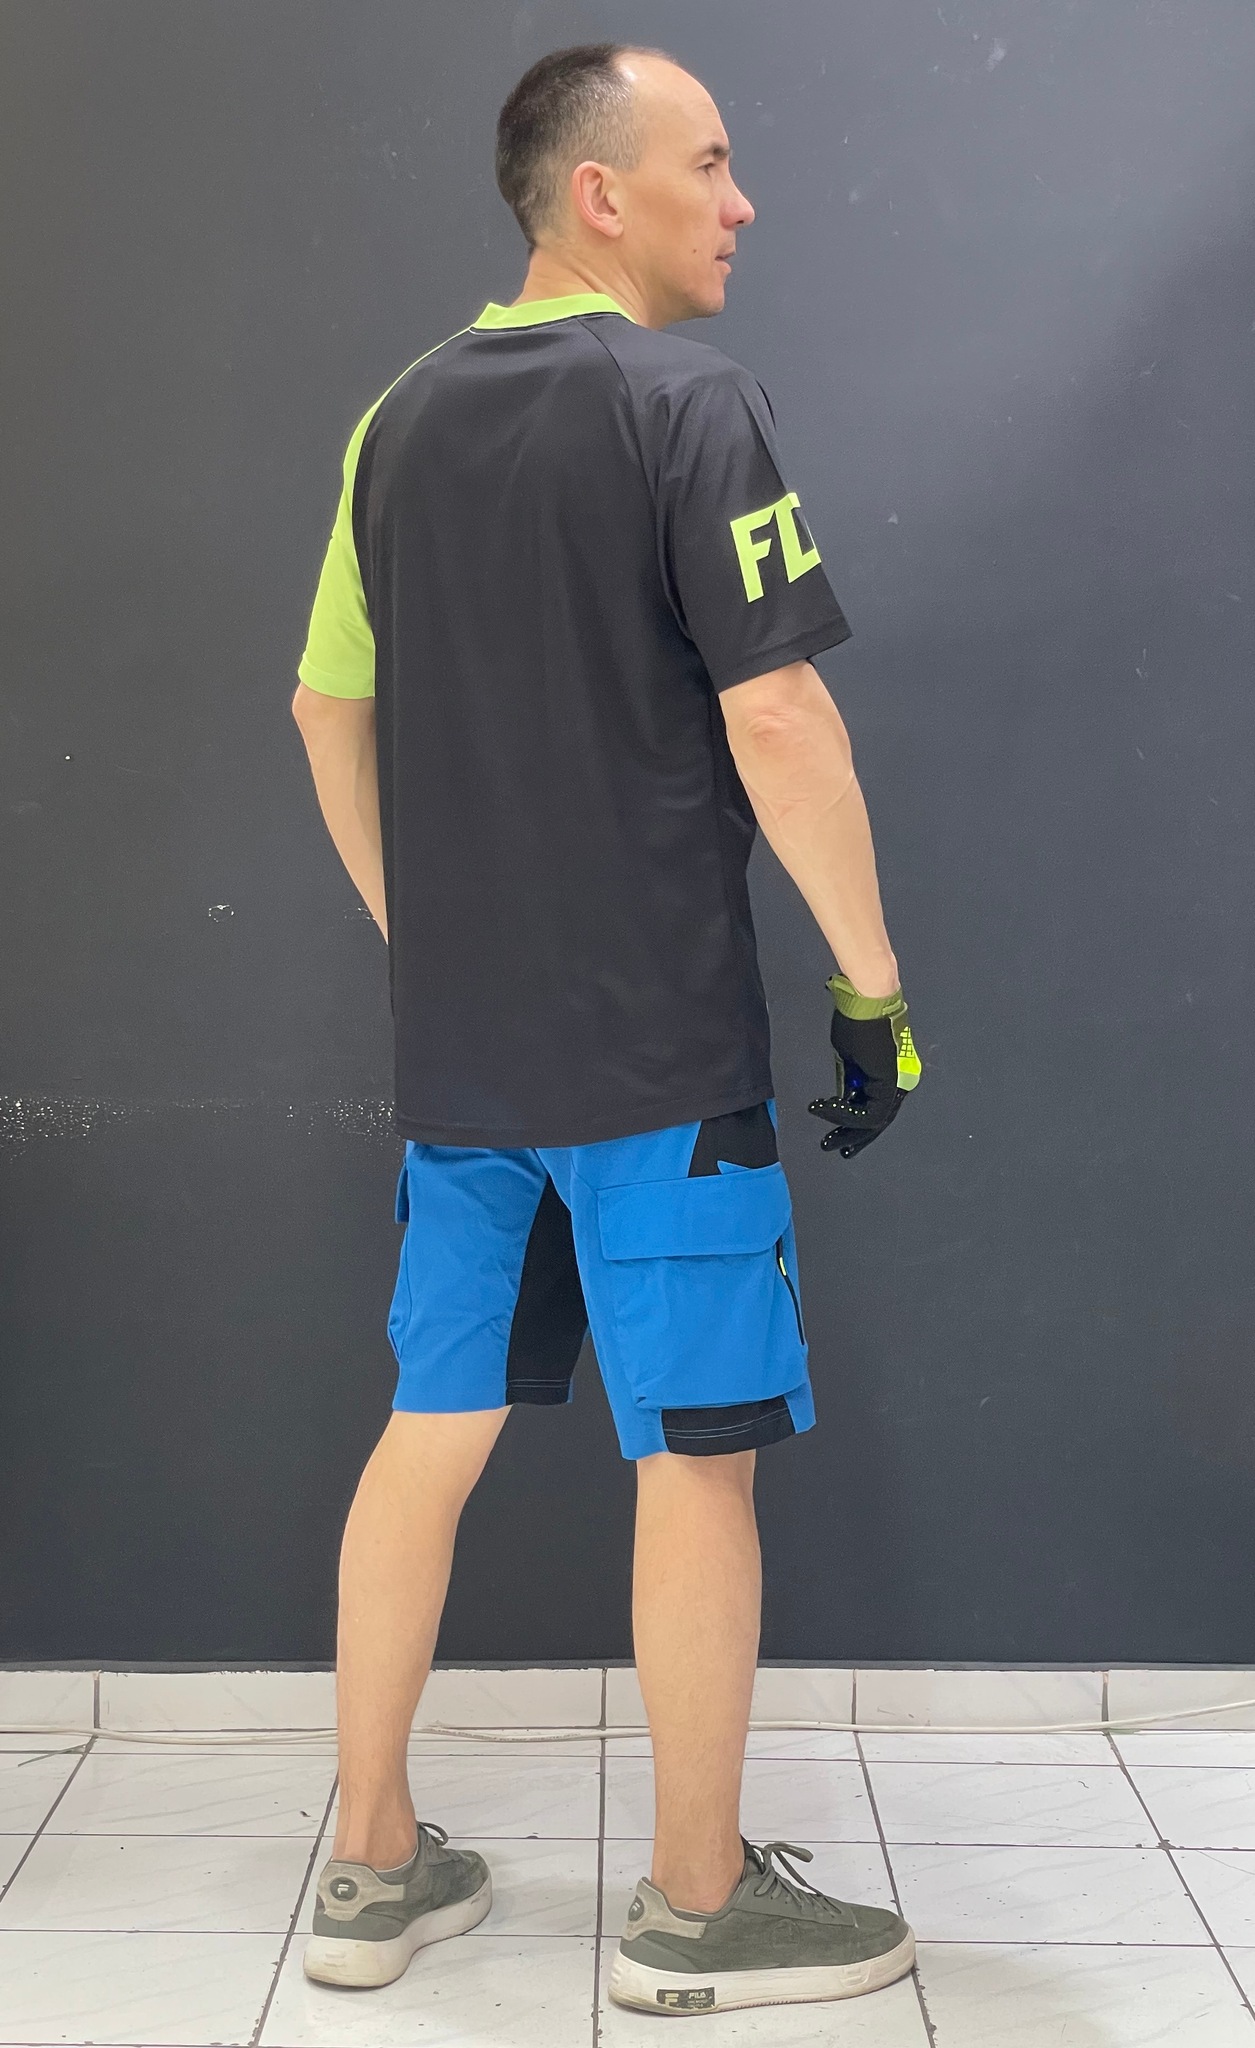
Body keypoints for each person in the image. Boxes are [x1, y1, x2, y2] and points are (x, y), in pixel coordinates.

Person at [290, 39, 921, 2019]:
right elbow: (780, 712)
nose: (739, 203)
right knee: (699, 1458)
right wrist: (871, 984)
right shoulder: (687, 403)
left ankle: (372, 1865)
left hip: (466, 1061)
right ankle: (696, 1907)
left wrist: (423, 933)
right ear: (599, 194)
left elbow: (322, 706)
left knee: (431, 1429)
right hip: (660, 1061)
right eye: (708, 165)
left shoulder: (392, 421)